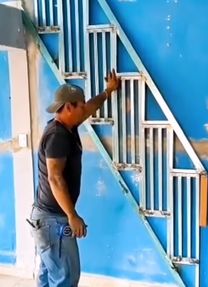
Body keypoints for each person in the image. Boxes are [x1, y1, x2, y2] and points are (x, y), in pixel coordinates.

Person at [29, 69, 120, 287]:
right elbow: (55, 178)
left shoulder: (67, 126)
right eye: (81, 105)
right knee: (65, 278)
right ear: (69, 107)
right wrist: (72, 215)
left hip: (46, 220)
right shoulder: (58, 135)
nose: (85, 108)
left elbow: (90, 107)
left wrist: (108, 91)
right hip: (54, 221)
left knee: (49, 276)